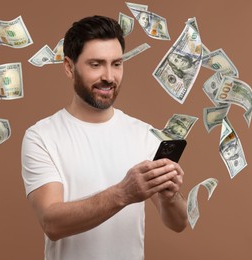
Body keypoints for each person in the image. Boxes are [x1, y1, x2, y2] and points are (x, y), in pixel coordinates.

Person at [21, 15, 188, 260]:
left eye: (117, 64)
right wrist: (123, 192)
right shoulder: (42, 136)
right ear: (69, 67)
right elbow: (52, 223)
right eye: (96, 64)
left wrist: (170, 196)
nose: (109, 76)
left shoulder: (144, 134)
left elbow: (178, 223)